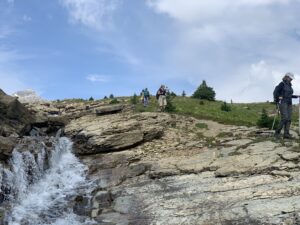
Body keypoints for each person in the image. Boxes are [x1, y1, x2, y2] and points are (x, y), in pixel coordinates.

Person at [273, 72, 299, 139]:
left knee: (289, 118)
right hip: (283, 102)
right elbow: (275, 92)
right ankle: (277, 133)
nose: (291, 79)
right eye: (290, 78)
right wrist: (278, 97)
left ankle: (286, 134)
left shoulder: (290, 85)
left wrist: (296, 96)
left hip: (289, 103)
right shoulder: (282, 84)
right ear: (287, 77)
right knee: (284, 118)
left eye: (292, 78)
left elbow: (289, 95)